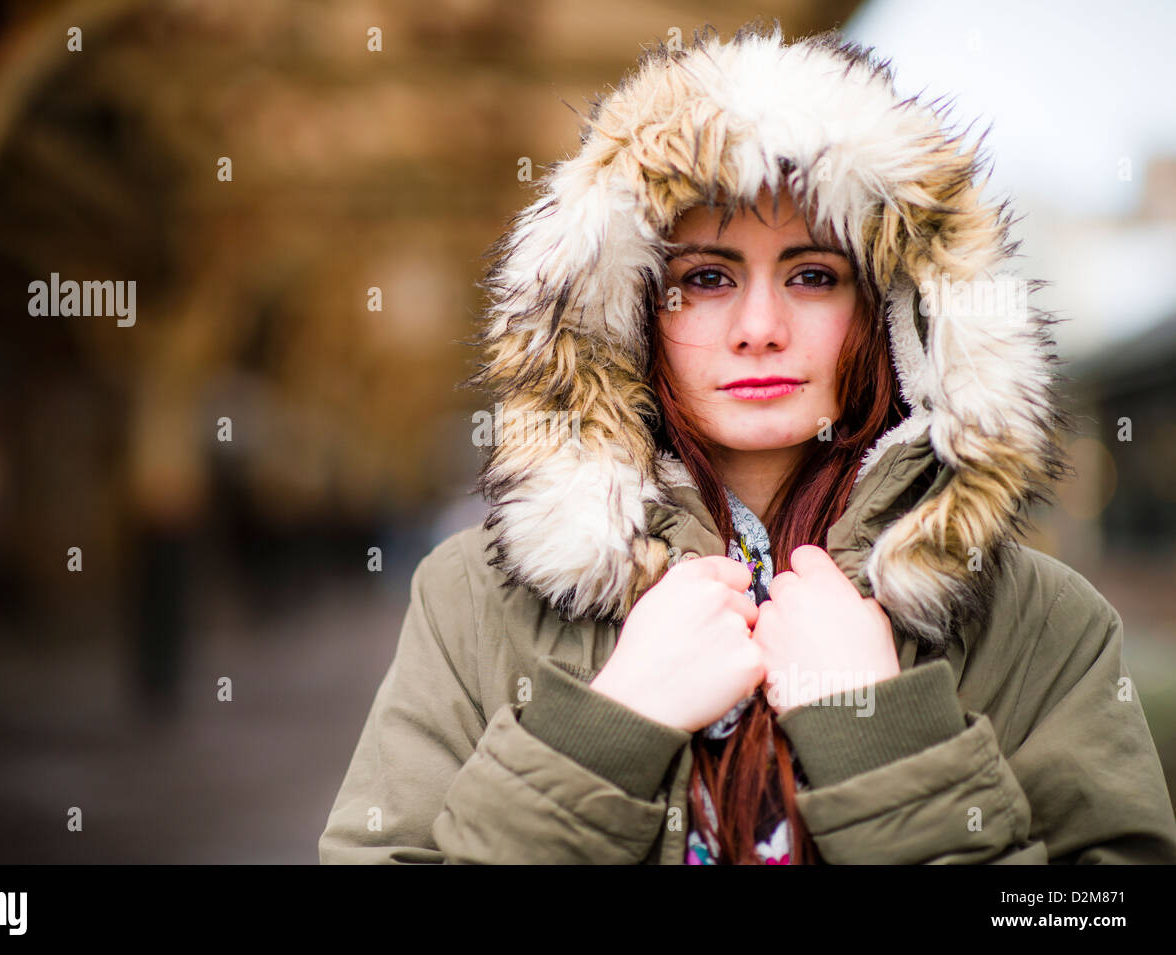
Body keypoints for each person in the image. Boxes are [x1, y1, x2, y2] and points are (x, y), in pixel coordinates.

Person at [318, 24, 1176, 864]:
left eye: (812, 276)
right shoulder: (472, 600)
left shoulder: (1041, 621)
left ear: (888, 311)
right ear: (629, 310)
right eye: (706, 278)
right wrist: (604, 730)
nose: (760, 328)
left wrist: (886, 744)